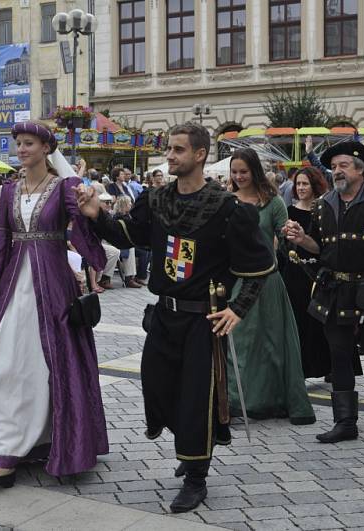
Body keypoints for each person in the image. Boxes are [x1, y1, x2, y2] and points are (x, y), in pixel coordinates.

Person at [74, 122, 276, 513]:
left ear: (200, 155)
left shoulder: (228, 208)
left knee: (197, 397)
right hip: (164, 317)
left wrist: (237, 309)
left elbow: (261, 264)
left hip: (203, 320)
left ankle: (196, 475)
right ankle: (191, 441)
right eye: (169, 149)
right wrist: (95, 213)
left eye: (178, 150)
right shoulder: (158, 198)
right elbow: (129, 235)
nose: (170, 155)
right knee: (159, 385)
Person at [0, 121, 109, 486]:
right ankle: (2, 450)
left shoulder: (65, 187)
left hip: (53, 287)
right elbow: (2, 245)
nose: (22, 149)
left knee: (46, 366)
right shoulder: (8, 191)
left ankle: (54, 442)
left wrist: (90, 216)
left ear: (46, 148)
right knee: (6, 366)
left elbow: (86, 232)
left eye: (29, 143)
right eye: (18, 143)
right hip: (14, 287)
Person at [285, 140, 364, 444]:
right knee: (338, 354)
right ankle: (345, 423)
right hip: (335, 287)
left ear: (360, 170)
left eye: (343, 166)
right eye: (334, 167)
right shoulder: (325, 203)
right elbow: (321, 247)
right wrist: (303, 239)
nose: (337, 171)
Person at [226, 148, 315, 424]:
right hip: (237, 281)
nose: (239, 176)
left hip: (268, 280)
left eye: (244, 171)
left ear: (254, 171)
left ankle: (274, 400)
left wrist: (291, 233)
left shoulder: (273, 202)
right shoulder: (226, 202)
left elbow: (283, 235)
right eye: (235, 171)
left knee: (273, 345)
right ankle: (233, 402)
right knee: (238, 344)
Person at [283, 167, 333, 379]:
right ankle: (301, 369)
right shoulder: (289, 211)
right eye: (298, 184)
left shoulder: (323, 210)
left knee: (320, 325)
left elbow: (326, 247)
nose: (301, 188)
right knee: (298, 324)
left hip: (316, 275)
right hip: (293, 275)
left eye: (305, 183)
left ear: (315, 185)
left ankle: (328, 366)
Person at [112, 195, 142, 288]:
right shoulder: (119, 217)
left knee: (146, 251)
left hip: (128, 241)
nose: (131, 205)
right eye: (129, 203)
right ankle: (129, 278)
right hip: (119, 243)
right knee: (130, 248)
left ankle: (140, 276)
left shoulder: (128, 216)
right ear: (124, 205)